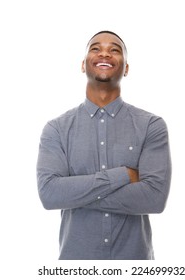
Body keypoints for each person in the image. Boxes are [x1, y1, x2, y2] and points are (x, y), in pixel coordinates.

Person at [37, 31, 171, 260]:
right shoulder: (56, 129)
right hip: (76, 269)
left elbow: (154, 198)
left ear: (126, 68)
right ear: (83, 65)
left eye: (115, 49)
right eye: (96, 48)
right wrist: (123, 176)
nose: (105, 53)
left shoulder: (151, 125)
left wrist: (75, 194)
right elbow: (50, 194)